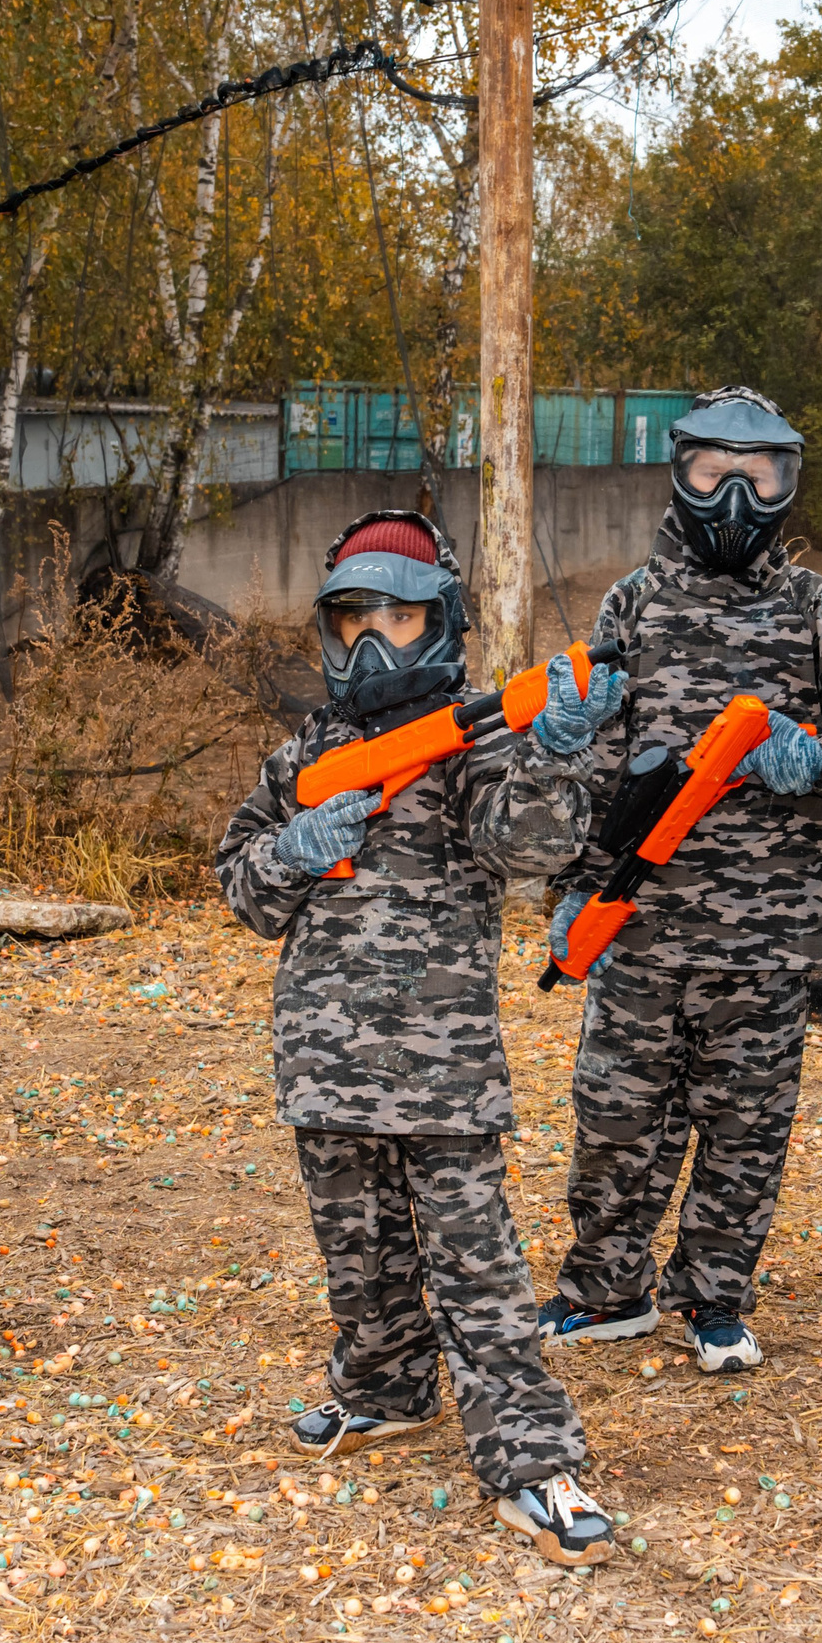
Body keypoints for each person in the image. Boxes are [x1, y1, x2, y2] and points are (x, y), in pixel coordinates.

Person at [217, 510, 627, 1565]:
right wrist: (291, 849)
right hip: (323, 1063)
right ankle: (385, 1387)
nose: (372, 643)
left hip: (443, 1074)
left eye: (397, 619)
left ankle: (531, 1459)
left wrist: (557, 751)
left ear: (438, 623)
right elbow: (244, 890)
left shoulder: (478, 744)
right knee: (358, 1258)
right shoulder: (303, 753)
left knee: (479, 1274)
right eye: (353, 619)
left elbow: (529, 846)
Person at [542, 388, 822, 1375]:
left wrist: (817, 757)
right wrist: (575, 886)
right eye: (713, 471)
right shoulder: (634, 604)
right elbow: (597, 759)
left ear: (788, 483)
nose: (735, 495)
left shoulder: (817, 611)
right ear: (680, 474)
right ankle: (604, 1289)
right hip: (639, 924)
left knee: (745, 1129)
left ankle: (714, 1297)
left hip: (766, 938)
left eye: (760, 474)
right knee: (616, 1120)